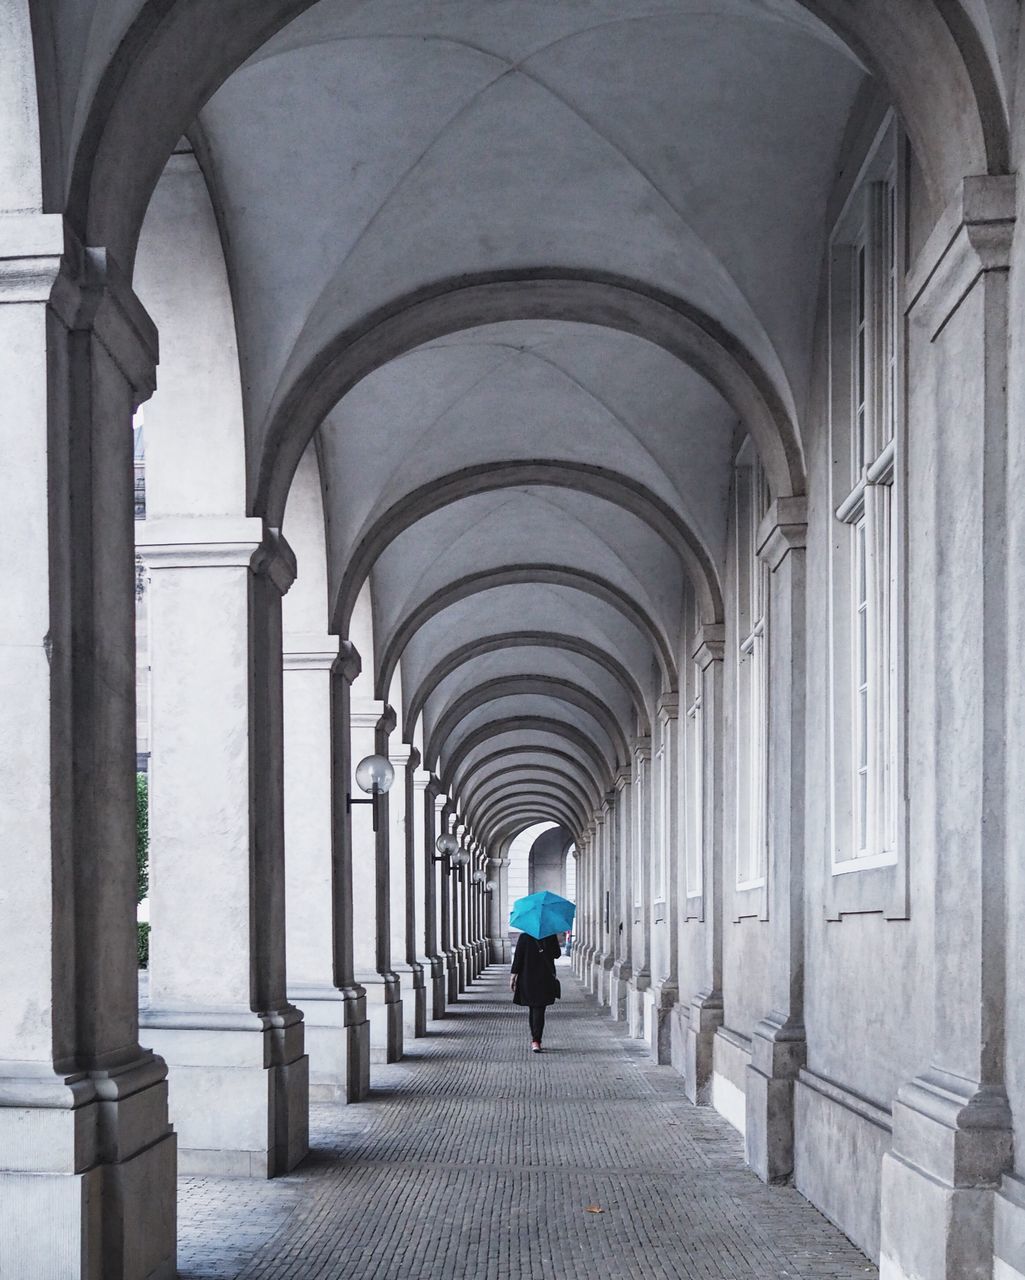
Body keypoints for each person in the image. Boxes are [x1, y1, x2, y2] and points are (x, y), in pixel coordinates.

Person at [510, 932, 561, 1052]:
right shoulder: (550, 935)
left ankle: (535, 1039)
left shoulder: (524, 937)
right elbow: (557, 954)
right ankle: (536, 1040)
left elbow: (518, 957)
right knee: (539, 1008)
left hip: (527, 978)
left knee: (532, 1007)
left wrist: (513, 977)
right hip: (545, 977)